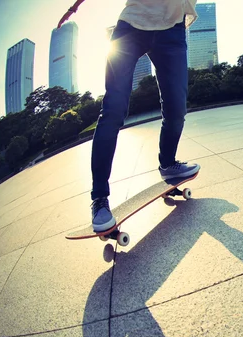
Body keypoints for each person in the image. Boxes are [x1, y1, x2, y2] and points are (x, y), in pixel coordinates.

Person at [58, 0, 201, 232]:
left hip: (172, 31)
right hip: (132, 26)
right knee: (113, 109)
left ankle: (168, 164)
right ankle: (99, 199)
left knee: (177, 109)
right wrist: (74, 7)